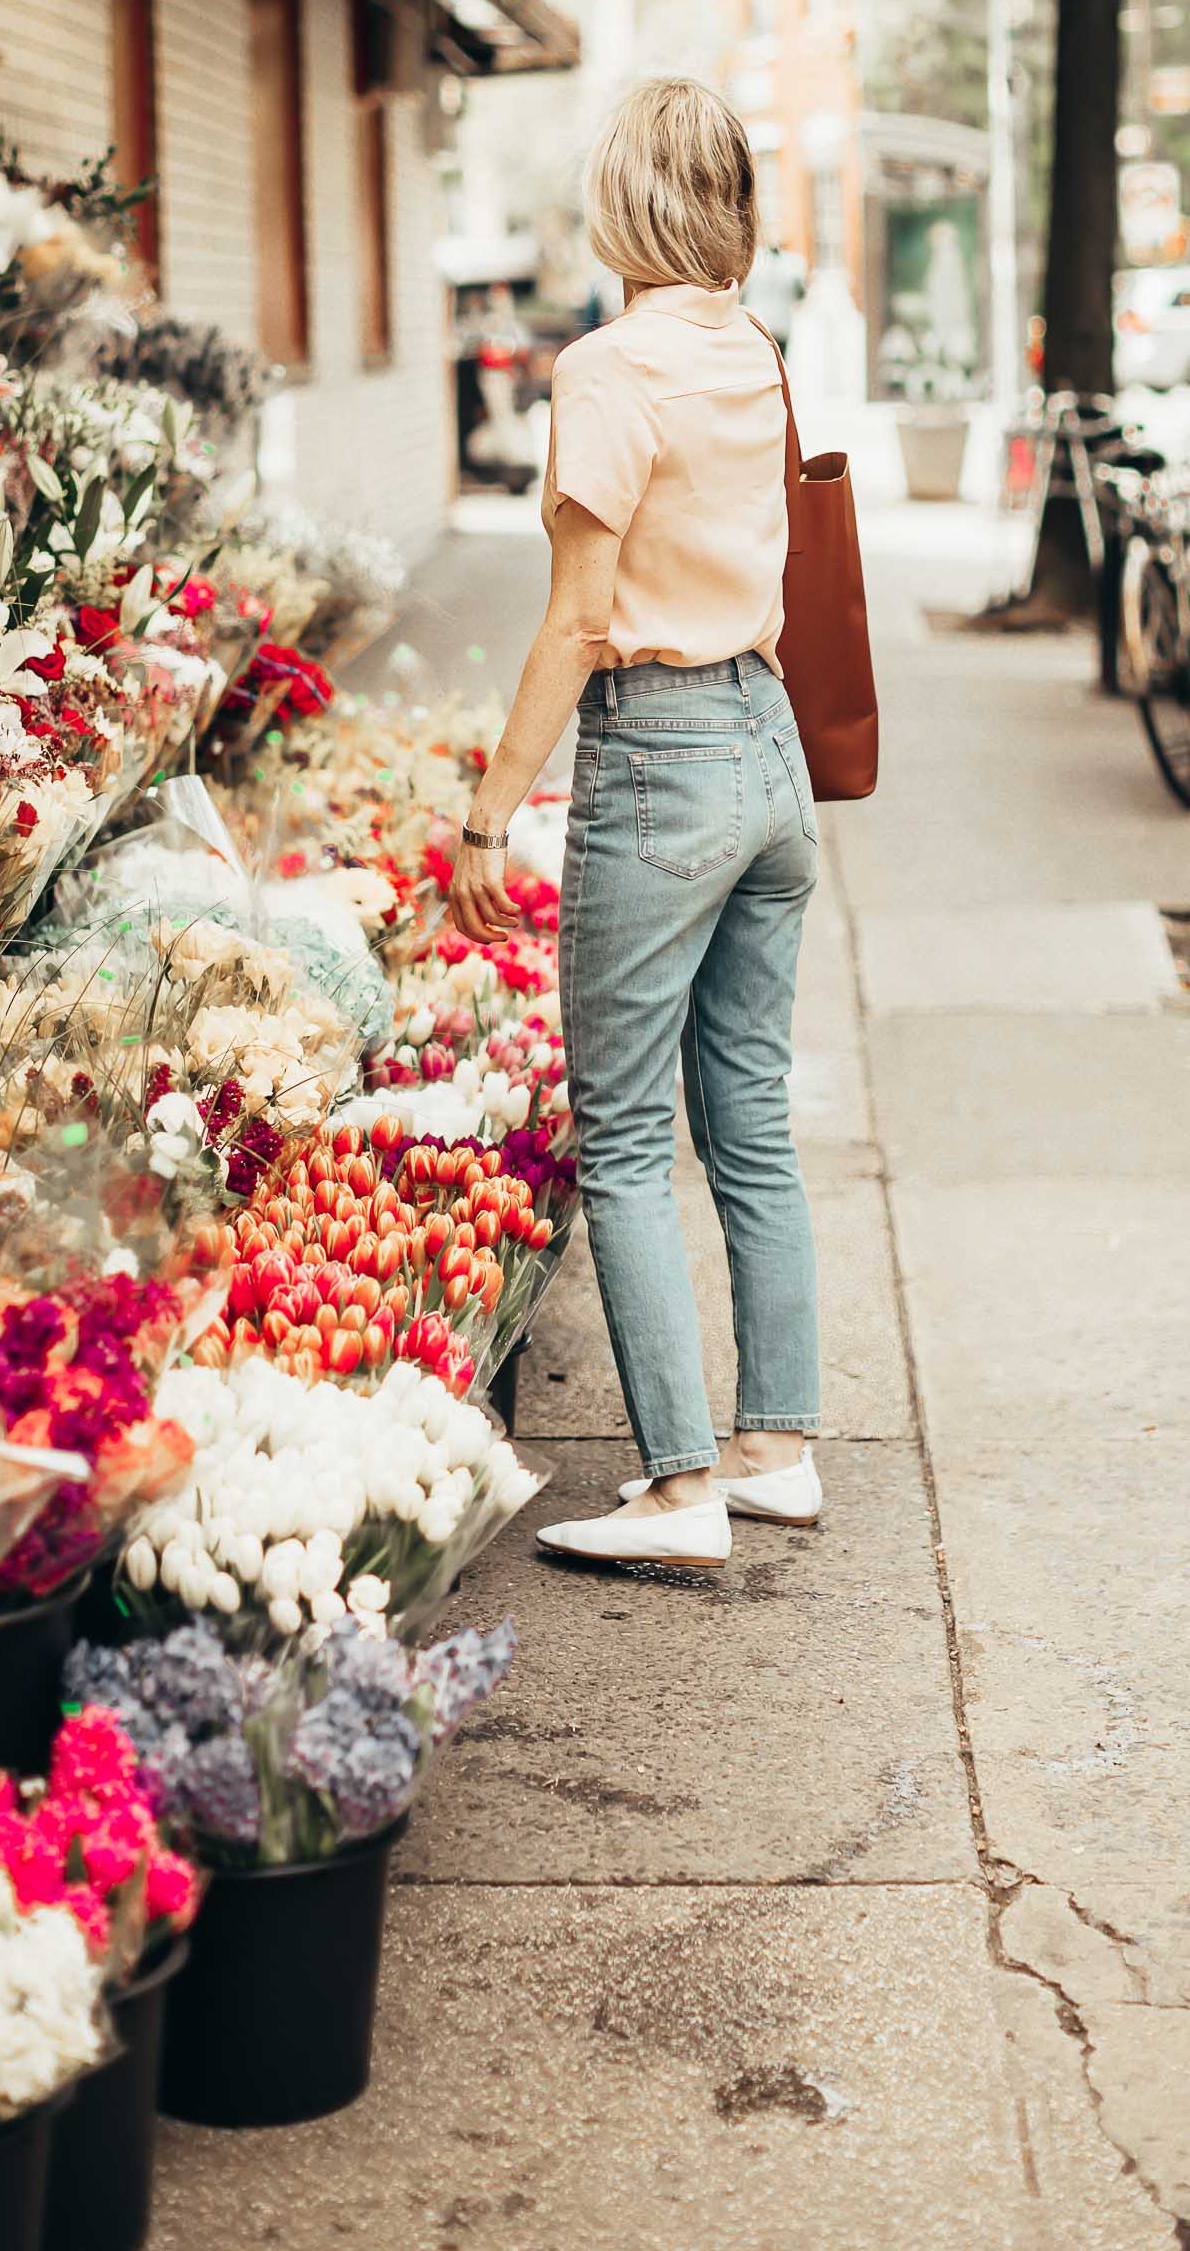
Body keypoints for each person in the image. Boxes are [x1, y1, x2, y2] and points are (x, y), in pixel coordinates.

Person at [446, 77, 821, 1572]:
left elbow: (579, 620)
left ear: (624, 204)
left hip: (660, 758)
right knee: (749, 1120)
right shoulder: (759, 352)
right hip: (768, 748)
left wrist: (487, 815)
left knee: (617, 1135)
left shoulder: (606, 369)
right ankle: (774, 1447)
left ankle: (677, 1488)